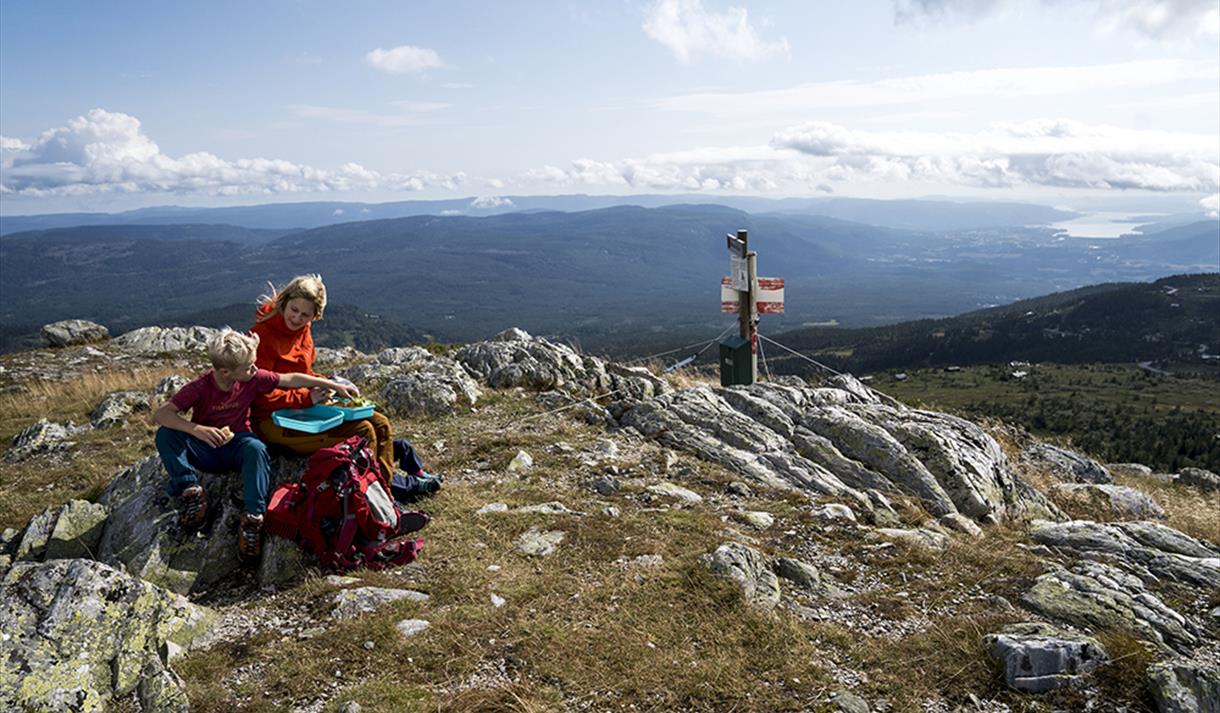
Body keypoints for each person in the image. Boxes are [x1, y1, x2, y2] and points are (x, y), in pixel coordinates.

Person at [153, 328, 359, 560]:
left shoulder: (251, 378)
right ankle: (191, 491)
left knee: (257, 448)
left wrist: (331, 384)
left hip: (238, 446)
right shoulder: (200, 387)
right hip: (205, 448)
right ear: (225, 371)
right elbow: (162, 415)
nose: (255, 369)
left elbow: (289, 379)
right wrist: (196, 430)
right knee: (165, 435)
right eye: (249, 366)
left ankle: (253, 518)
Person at [248, 274, 441, 499]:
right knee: (362, 432)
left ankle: (384, 495)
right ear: (284, 302)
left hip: (301, 411)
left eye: (305, 314)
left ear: (315, 315)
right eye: (294, 309)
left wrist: (326, 386)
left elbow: (304, 373)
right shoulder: (263, 335)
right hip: (271, 420)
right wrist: (307, 398)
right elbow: (261, 395)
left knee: (380, 423)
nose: (297, 318)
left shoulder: (304, 330)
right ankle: (380, 498)